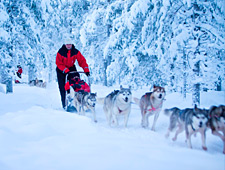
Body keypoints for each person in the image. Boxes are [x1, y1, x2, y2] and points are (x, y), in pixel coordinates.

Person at [56, 37, 90, 109]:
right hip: (61, 70)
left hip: (71, 68)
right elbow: (58, 63)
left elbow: (82, 61)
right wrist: (65, 70)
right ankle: (65, 104)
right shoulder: (60, 52)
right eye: (67, 44)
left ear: (72, 44)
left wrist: (86, 69)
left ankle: (79, 101)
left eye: (70, 44)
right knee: (63, 88)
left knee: (77, 83)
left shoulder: (75, 52)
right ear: (65, 45)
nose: (68, 46)